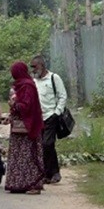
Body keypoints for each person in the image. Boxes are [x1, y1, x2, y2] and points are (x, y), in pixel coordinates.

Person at [5, 61, 44, 195]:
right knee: (19, 155)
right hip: (19, 127)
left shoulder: (27, 86)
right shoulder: (20, 85)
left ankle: (33, 184)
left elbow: (26, 106)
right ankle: (19, 183)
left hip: (28, 126)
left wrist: (14, 105)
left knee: (29, 156)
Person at [30, 55, 66, 184]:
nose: (33, 70)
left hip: (50, 116)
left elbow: (62, 96)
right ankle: (47, 173)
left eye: (34, 66)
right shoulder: (34, 81)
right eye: (31, 67)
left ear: (42, 65)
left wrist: (57, 112)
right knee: (42, 146)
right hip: (38, 118)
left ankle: (53, 172)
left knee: (48, 144)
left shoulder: (54, 78)